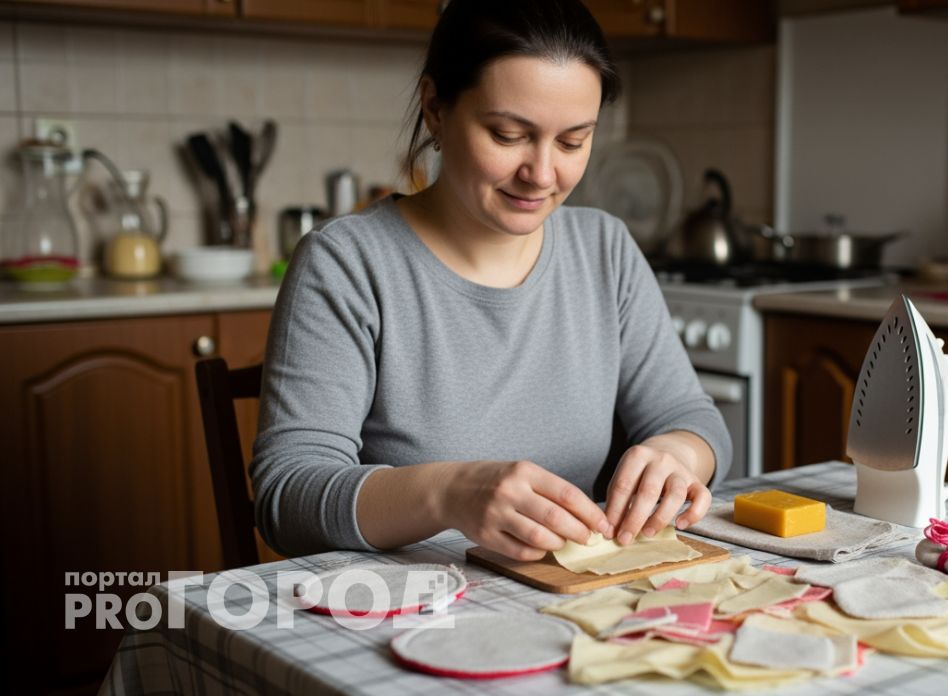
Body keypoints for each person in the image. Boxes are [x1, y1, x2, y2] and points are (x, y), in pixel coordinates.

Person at [250, 0, 732, 561]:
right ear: (435, 108)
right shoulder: (347, 262)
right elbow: (286, 498)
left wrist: (677, 454)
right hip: (409, 610)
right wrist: (448, 495)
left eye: (573, 142)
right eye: (507, 135)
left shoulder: (604, 248)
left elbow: (692, 418)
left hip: (569, 600)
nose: (543, 174)